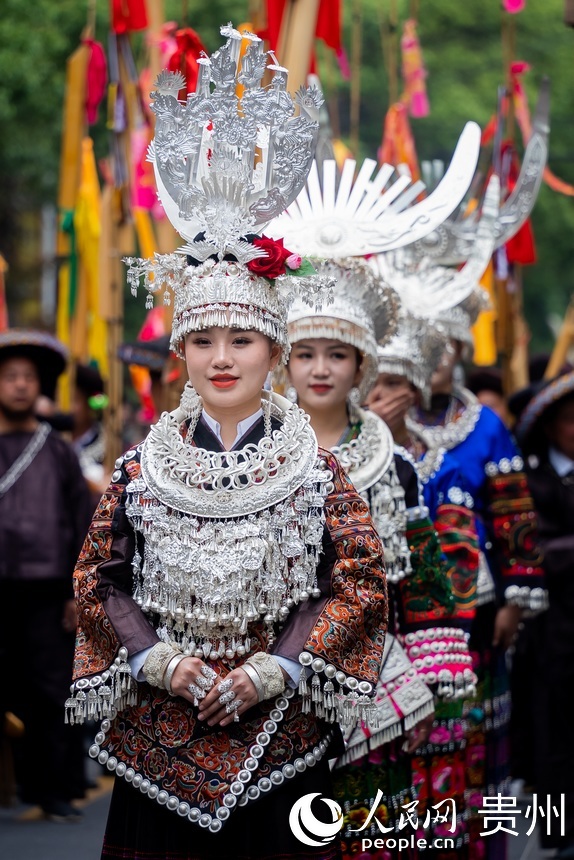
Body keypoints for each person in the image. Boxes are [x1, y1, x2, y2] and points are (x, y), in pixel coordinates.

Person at [69, 34, 388, 860]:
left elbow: (356, 586)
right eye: (202, 338)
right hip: (154, 744)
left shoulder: (315, 473)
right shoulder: (142, 471)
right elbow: (96, 583)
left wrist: (273, 669)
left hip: (281, 743)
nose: (221, 357)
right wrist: (159, 662)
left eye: (241, 340)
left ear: (273, 354)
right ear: (180, 355)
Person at [283, 263, 476, 858]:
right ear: (283, 363)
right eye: (305, 353)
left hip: (374, 679)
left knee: (367, 833)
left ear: (362, 366)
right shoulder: (257, 459)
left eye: (337, 355)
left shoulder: (392, 468)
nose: (320, 370)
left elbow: (420, 582)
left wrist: (431, 682)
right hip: (276, 678)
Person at [405, 290, 545, 860]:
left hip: (477, 620)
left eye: (444, 348)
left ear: (461, 349)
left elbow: (516, 519)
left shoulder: (487, 428)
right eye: (422, 348)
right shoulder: (379, 423)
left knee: (475, 738)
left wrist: (515, 600)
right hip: (403, 616)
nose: (434, 360)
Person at [368, 311, 481, 854]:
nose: (378, 396)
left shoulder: (438, 468)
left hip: (428, 641)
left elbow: (456, 565)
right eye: (370, 383)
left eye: (391, 384)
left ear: (414, 391)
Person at [0, 329, 92, 820]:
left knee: (51, 690)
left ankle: (54, 789)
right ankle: (16, 787)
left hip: (45, 589)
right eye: (9, 376)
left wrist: (76, 592)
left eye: (27, 378)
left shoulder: (57, 450)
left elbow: (82, 523)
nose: (18, 385)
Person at [511, 370, 574, 858]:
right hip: (552, 632)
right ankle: (557, 837)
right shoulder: (528, 478)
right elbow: (533, 548)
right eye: (571, 420)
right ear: (551, 426)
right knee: (551, 732)